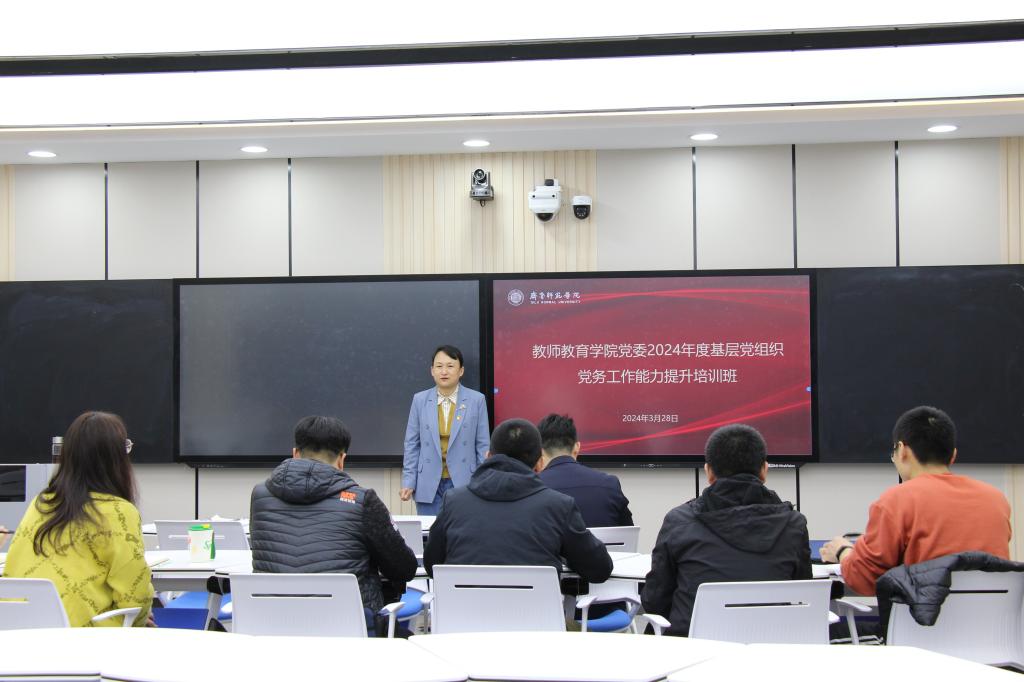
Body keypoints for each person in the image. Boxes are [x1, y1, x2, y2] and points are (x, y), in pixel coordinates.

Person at [249, 415, 418, 635]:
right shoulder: (362, 500)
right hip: (348, 633)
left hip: (273, 630)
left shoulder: (260, 496)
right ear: (341, 460)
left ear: (295, 453)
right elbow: (404, 568)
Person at [821, 406, 1011, 596]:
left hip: (925, 615)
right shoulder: (996, 499)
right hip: (993, 615)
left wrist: (843, 551)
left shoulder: (895, 501)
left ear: (902, 450)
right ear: (953, 455)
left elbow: (865, 580)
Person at [642, 424, 811, 636]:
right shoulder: (794, 525)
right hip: (771, 647)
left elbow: (655, 600)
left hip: (694, 650)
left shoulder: (679, 522)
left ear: (708, 472)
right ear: (764, 470)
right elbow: (803, 593)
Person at [2, 411, 153, 627]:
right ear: (115, 458)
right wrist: (139, 620)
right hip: (87, 638)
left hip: (24, 632)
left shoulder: (41, 504)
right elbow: (135, 595)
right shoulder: (119, 512)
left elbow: (12, 572)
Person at [424, 418, 612, 583]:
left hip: (463, 613)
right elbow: (599, 569)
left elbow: (432, 565)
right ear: (540, 463)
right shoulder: (559, 506)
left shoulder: (453, 502)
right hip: (537, 614)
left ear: (488, 457)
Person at [401, 345, 490, 515]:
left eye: (450, 366)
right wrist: (408, 482)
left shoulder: (476, 400)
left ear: (461, 371)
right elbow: (412, 445)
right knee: (430, 531)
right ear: (432, 370)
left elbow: (483, 446)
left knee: (462, 530)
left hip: (465, 482)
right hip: (428, 482)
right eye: (439, 366)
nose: (444, 371)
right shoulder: (419, 400)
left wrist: (483, 482)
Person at [536, 413, 633, 527]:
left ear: (539, 450)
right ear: (577, 447)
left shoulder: (532, 488)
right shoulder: (609, 484)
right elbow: (629, 534)